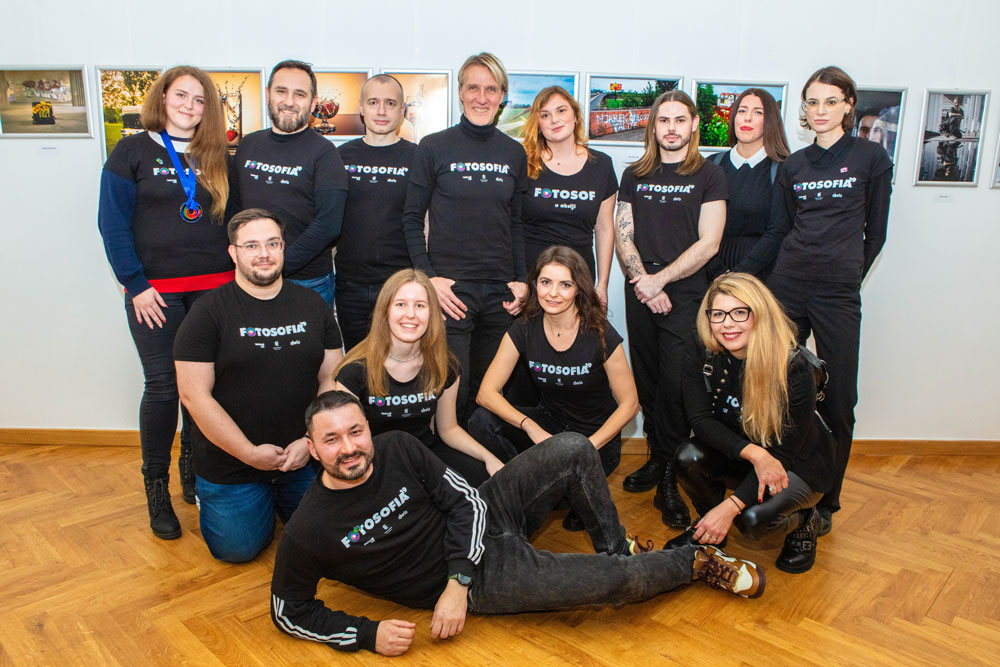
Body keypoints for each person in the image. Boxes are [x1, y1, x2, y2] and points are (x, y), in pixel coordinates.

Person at [269, 390, 765, 656]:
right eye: (332, 439)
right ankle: (694, 561)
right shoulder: (309, 529)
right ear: (312, 449)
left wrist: (457, 580)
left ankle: (618, 547)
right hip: (489, 579)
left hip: (482, 527)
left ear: (367, 429)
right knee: (613, 584)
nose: (349, 447)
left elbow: (466, 502)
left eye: (356, 431)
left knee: (573, 447)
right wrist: (365, 634)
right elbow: (287, 610)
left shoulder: (396, 446)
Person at [98, 65, 232, 540]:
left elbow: (234, 220)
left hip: (215, 292)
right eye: (181, 96)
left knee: (204, 388)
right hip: (155, 294)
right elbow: (111, 223)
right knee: (162, 388)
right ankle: (156, 487)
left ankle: (191, 468)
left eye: (200, 100)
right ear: (162, 98)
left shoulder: (216, 154)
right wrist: (135, 285)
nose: (190, 106)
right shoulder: (131, 151)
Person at [174, 209, 344, 562]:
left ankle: (279, 499)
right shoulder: (207, 313)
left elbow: (331, 379)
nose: (263, 254)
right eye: (251, 245)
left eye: (272, 244)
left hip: (301, 456)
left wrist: (310, 441)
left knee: (326, 538)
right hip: (232, 463)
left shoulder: (313, 305)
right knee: (238, 550)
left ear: (283, 248)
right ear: (233, 253)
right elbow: (193, 396)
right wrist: (248, 453)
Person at [768, 66, 892, 535]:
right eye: (812, 102)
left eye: (830, 101)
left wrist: (846, 276)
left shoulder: (870, 157)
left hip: (837, 293)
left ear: (847, 105)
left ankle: (826, 504)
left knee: (839, 400)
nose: (819, 111)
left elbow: (876, 234)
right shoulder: (794, 166)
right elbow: (784, 230)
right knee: (775, 387)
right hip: (788, 286)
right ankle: (779, 484)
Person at [665, 273, 835, 573]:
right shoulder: (701, 346)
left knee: (752, 522)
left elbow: (782, 455)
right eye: (718, 314)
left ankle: (805, 521)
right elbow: (700, 419)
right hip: (749, 452)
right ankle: (710, 530)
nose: (727, 324)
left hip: (797, 463)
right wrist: (755, 454)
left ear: (759, 314)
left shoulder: (793, 366)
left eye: (739, 312)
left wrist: (731, 507)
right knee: (687, 457)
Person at [614, 90, 728, 528]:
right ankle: (657, 458)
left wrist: (660, 280)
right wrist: (645, 282)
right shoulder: (635, 174)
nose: (672, 128)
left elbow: (710, 242)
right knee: (647, 377)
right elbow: (624, 235)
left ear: (694, 124)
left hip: (685, 291)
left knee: (677, 384)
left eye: (680, 120)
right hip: (641, 287)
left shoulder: (709, 174)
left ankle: (669, 476)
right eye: (664, 120)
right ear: (653, 125)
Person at [469, 246, 638, 529]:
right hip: (550, 429)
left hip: (594, 440)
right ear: (535, 284)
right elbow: (486, 393)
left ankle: (565, 497)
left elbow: (630, 405)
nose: (553, 293)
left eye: (565, 285)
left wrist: (586, 448)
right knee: (482, 421)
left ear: (578, 289)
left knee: (554, 495)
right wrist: (530, 427)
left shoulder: (599, 332)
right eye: (546, 282)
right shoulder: (524, 328)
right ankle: (528, 488)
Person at [401, 52, 529, 423]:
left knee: (489, 397)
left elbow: (516, 223)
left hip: (500, 295)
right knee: (451, 397)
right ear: (460, 92)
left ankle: (483, 459)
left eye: (491, 89)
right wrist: (429, 279)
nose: (481, 97)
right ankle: (449, 459)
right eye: (473, 88)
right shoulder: (433, 146)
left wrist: (522, 281)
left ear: (502, 95)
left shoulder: (514, 152)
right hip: (450, 293)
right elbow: (411, 219)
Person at [333, 269, 503, 487]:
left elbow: (448, 429)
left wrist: (488, 458)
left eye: (420, 305)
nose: (411, 314)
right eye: (401, 304)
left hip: (425, 454)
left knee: (485, 478)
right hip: (376, 462)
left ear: (433, 314)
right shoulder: (355, 371)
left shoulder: (445, 365)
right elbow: (344, 443)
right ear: (385, 311)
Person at [229, 60, 348, 307]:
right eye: (281, 91)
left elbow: (328, 224)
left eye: (299, 94)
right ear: (268, 95)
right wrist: (250, 262)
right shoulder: (248, 145)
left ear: (313, 103)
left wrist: (277, 265)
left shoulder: (325, 153)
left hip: (308, 282)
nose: (289, 101)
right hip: (251, 276)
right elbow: (235, 210)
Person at [334, 75, 416, 350]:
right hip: (350, 284)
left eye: (390, 103)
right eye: (373, 102)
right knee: (356, 364)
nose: (381, 111)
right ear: (361, 107)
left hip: (401, 284)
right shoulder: (339, 157)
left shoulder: (419, 157)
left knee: (400, 363)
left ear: (402, 109)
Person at [520, 86, 618, 305]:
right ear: (538, 124)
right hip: (531, 280)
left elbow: (604, 228)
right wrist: (516, 280)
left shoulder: (601, 165)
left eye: (561, 111)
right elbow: (511, 226)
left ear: (575, 116)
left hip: (579, 279)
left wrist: (602, 285)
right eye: (545, 115)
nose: (554, 120)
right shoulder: (523, 163)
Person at [706, 88, 790, 280]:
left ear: (770, 121)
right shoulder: (712, 164)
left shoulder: (783, 168)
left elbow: (778, 232)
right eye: (742, 111)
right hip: (711, 272)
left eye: (758, 112)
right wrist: (718, 272)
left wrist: (738, 276)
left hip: (761, 274)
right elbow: (696, 226)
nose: (747, 118)